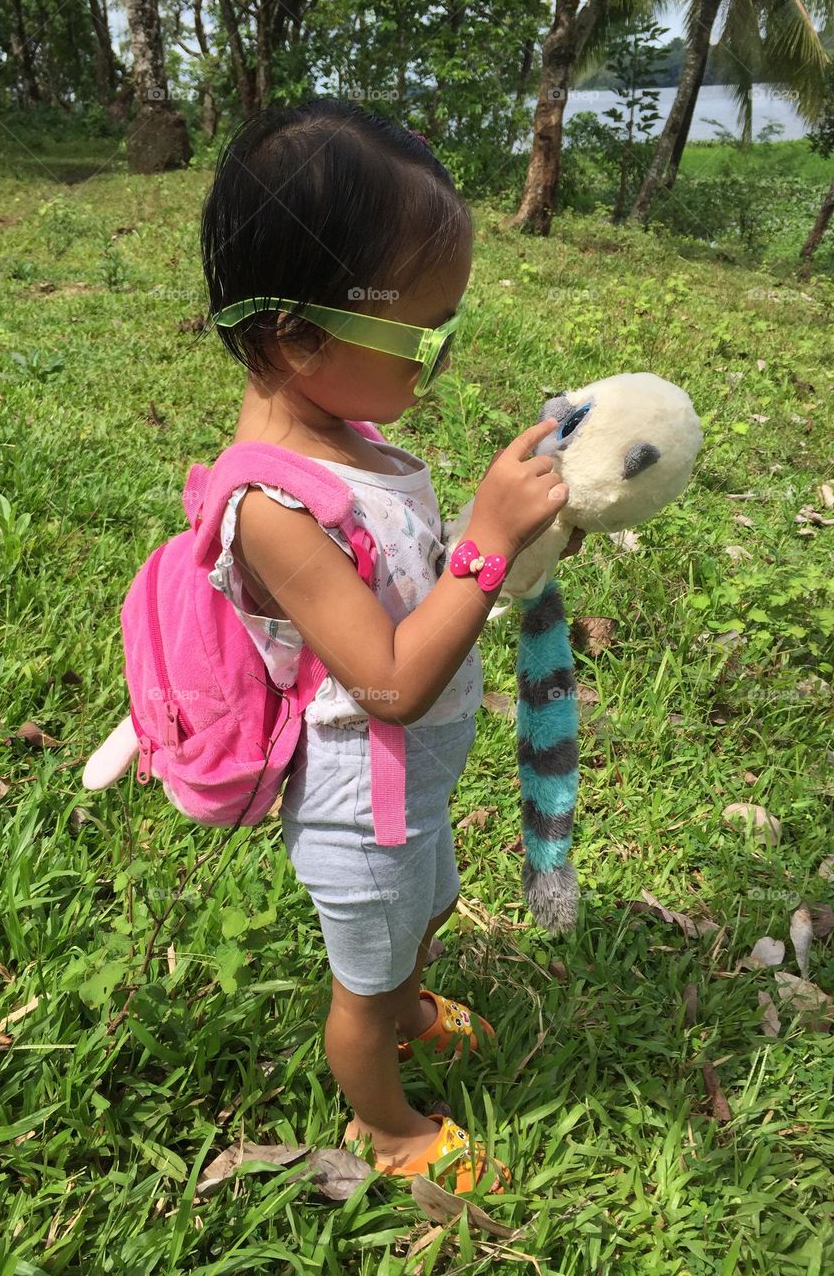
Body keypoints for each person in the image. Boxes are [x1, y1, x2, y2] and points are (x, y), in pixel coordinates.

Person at [195, 97, 585, 1195]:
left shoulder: (346, 433)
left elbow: (412, 580)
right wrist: (490, 543)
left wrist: (517, 538)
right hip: (359, 793)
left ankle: (414, 1000)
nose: (443, 357)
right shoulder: (270, 504)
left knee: (434, 905)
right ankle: (385, 1118)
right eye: (426, 332)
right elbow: (390, 680)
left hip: (412, 785)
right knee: (361, 989)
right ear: (298, 334)